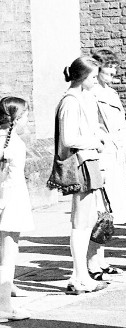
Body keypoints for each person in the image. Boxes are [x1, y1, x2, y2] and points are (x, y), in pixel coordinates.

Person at [56, 56, 108, 294]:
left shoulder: (82, 98)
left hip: (88, 161)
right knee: (80, 222)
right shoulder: (71, 101)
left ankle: (80, 275)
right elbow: (68, 139)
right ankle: (78, 276)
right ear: (82, 77)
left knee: (86, 221)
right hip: (80, 162)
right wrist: (95, 141)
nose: (96, 81)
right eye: (93, 77)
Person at [90, 49, 126, 279]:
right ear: (96, 68)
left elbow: (123, 128)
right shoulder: (91, 94)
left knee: (109, 213)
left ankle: (101, 260)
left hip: (115, 158)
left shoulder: (112, 93)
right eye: (108, 67)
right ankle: (92, 263)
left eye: (114, 66)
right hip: (102, 159)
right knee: (98, 213)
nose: (112, 71)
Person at [0, 97, 33, 321]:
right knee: (8, 256)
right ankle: (4, 307)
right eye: (26, 116)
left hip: (5, 199)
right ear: (17, 119)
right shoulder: (14, 144)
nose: (28, 120)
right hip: (11, 200)